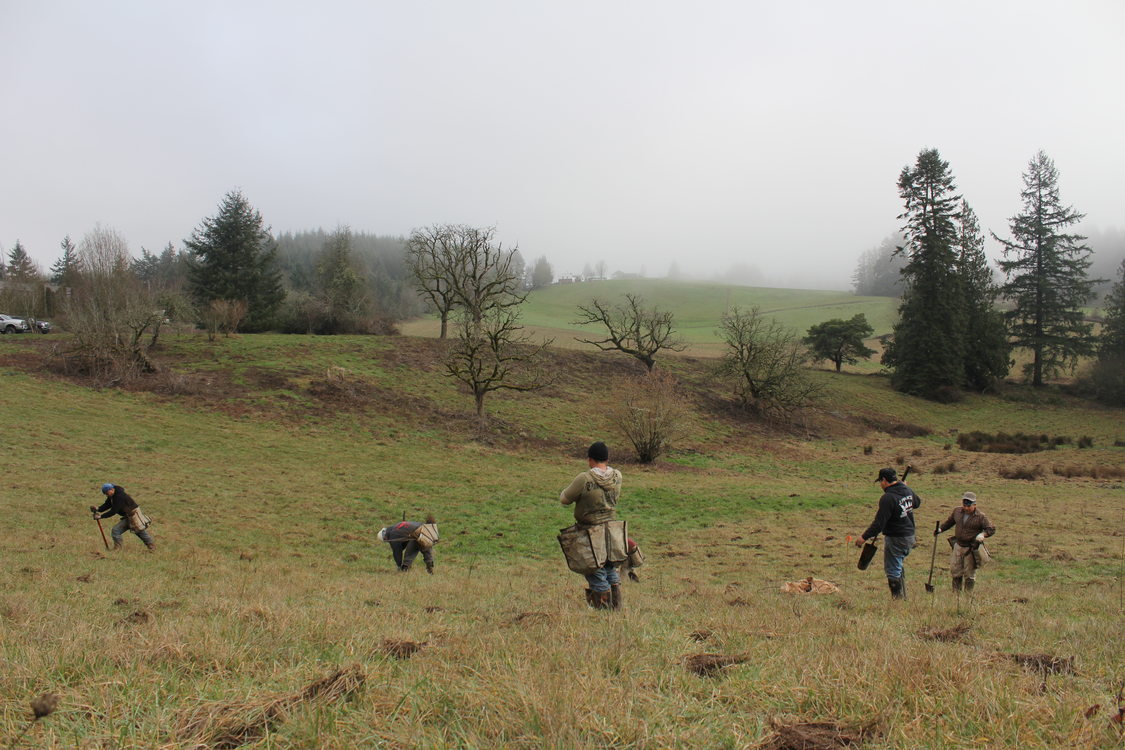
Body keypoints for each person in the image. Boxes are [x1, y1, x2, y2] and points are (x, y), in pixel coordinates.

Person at [559, 441, 625, 610]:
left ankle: (602, 611)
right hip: (612, 531)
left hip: (590, 532)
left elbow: (564, 500)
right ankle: (616, 605)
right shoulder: (618, 476)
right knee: (610, 566)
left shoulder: (584, 478)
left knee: (596, 570)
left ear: (590, 459)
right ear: (607, 458)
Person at [855, 467, 921, 599]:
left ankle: (897, 600)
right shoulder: (906, 490)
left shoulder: (888, 498)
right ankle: (903, 597)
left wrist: (863, 537)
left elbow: (879, 524)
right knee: (898, 564)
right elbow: (917, 502)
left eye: (880, 481)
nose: (880, 484)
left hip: (897, 537)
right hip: (909, 536)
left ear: (884, 480)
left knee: (892, 569)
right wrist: (906, 489)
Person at [935, 491, 995, 593]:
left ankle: (967, 597)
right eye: (964, 505)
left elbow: (991, 529)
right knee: (955, 571)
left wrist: (982, 535)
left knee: (969, 573)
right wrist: (940, 530)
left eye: (969, 505)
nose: (966, 508)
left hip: (971, 549)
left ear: (974, 505)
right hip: (958, 546)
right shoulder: (957, 511)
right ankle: (956, 595)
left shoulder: (981, 517)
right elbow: (950, 522)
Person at [91, 483, 154, 551]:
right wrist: (98, 509)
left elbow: (113, 511)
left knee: (138, 531)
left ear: (112, 489)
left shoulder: (119, 496)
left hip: (134, 515)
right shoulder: (112, 496)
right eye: (105, 493)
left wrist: (100, 516)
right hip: (127, 516)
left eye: (107, 493)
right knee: (117, 530)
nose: (106, 495)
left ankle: (151, 546)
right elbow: (107, 504)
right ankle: (117, 548)